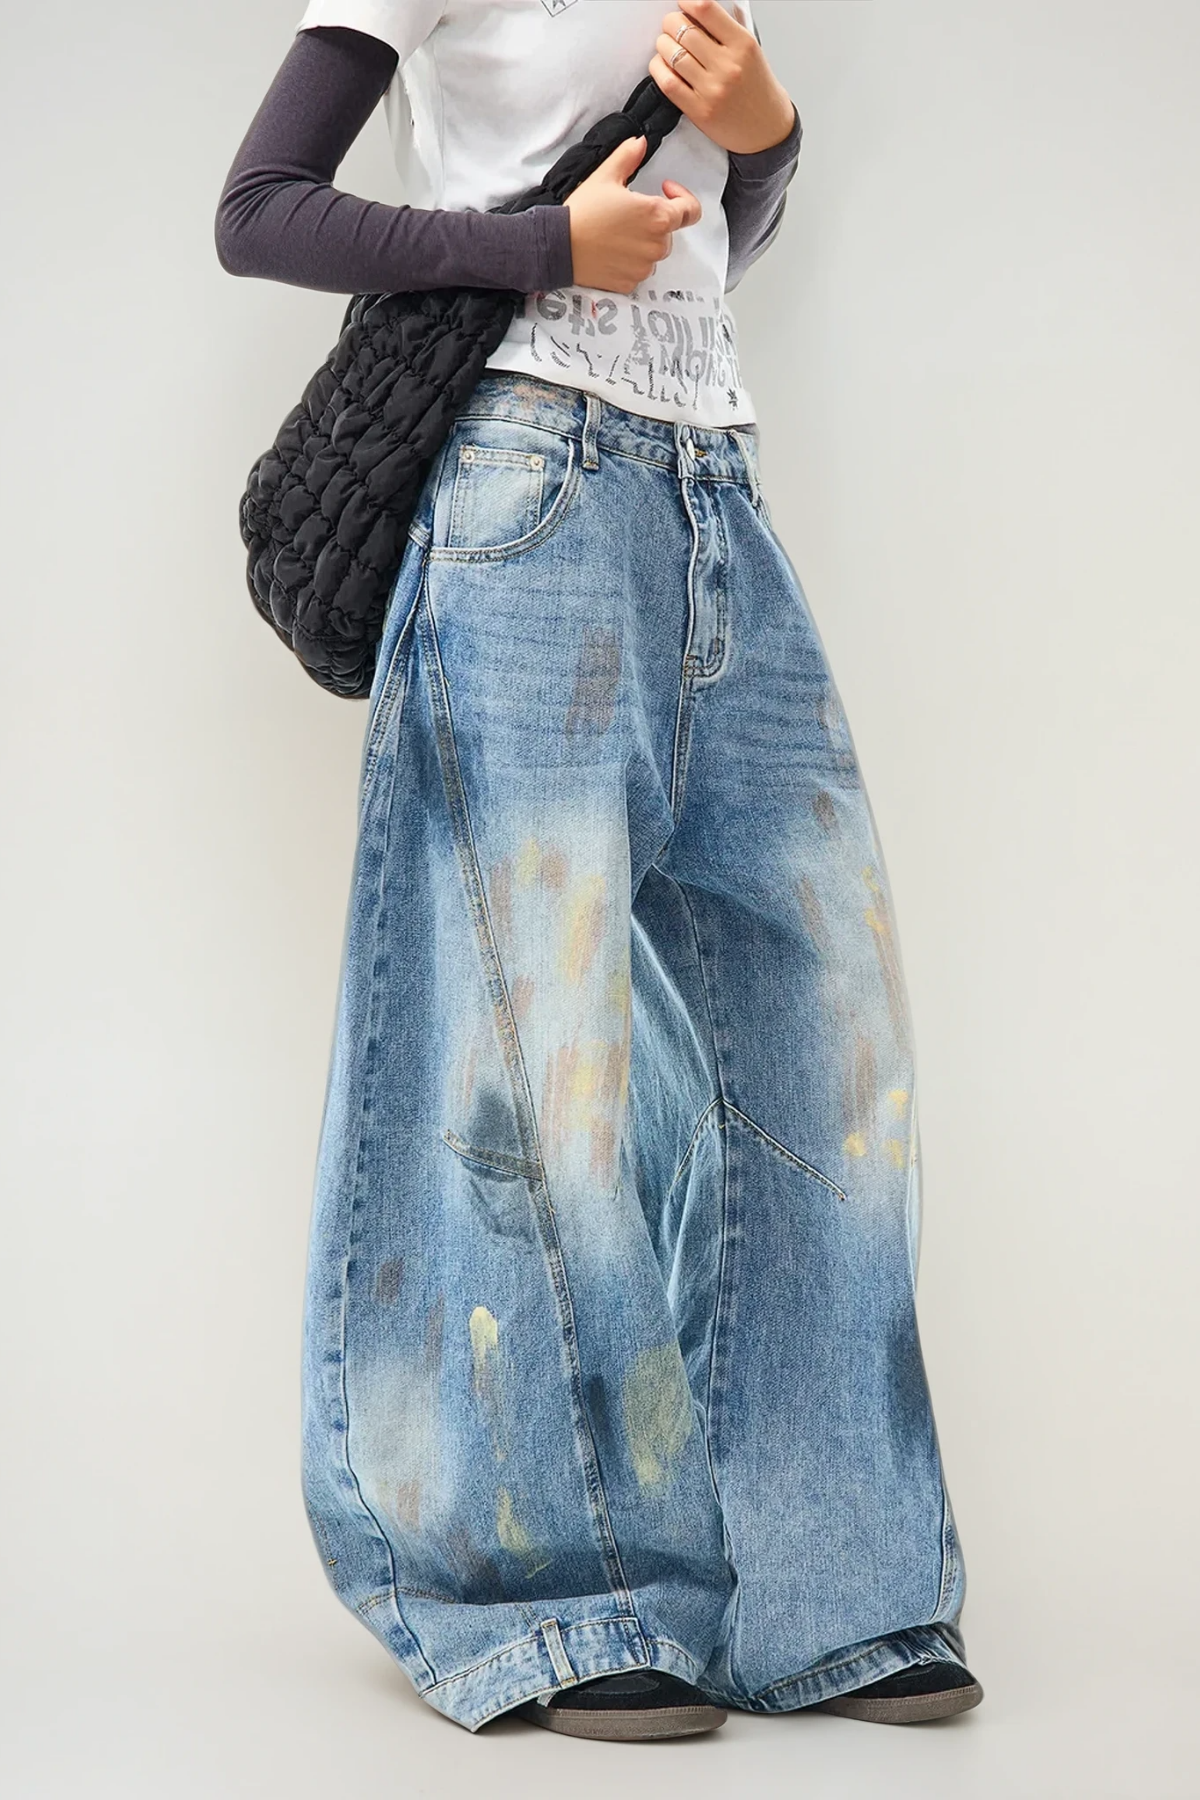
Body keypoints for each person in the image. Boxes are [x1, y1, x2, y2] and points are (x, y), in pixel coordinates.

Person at [215, 0, 982, 1743]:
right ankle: (559, 1592)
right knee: (538, 1065)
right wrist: (542, 247)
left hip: (715, 493)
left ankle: (821, 1580)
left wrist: (767, 140)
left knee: (829, 1031)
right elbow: (260, 208)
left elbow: (703, 246)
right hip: (522, 486)